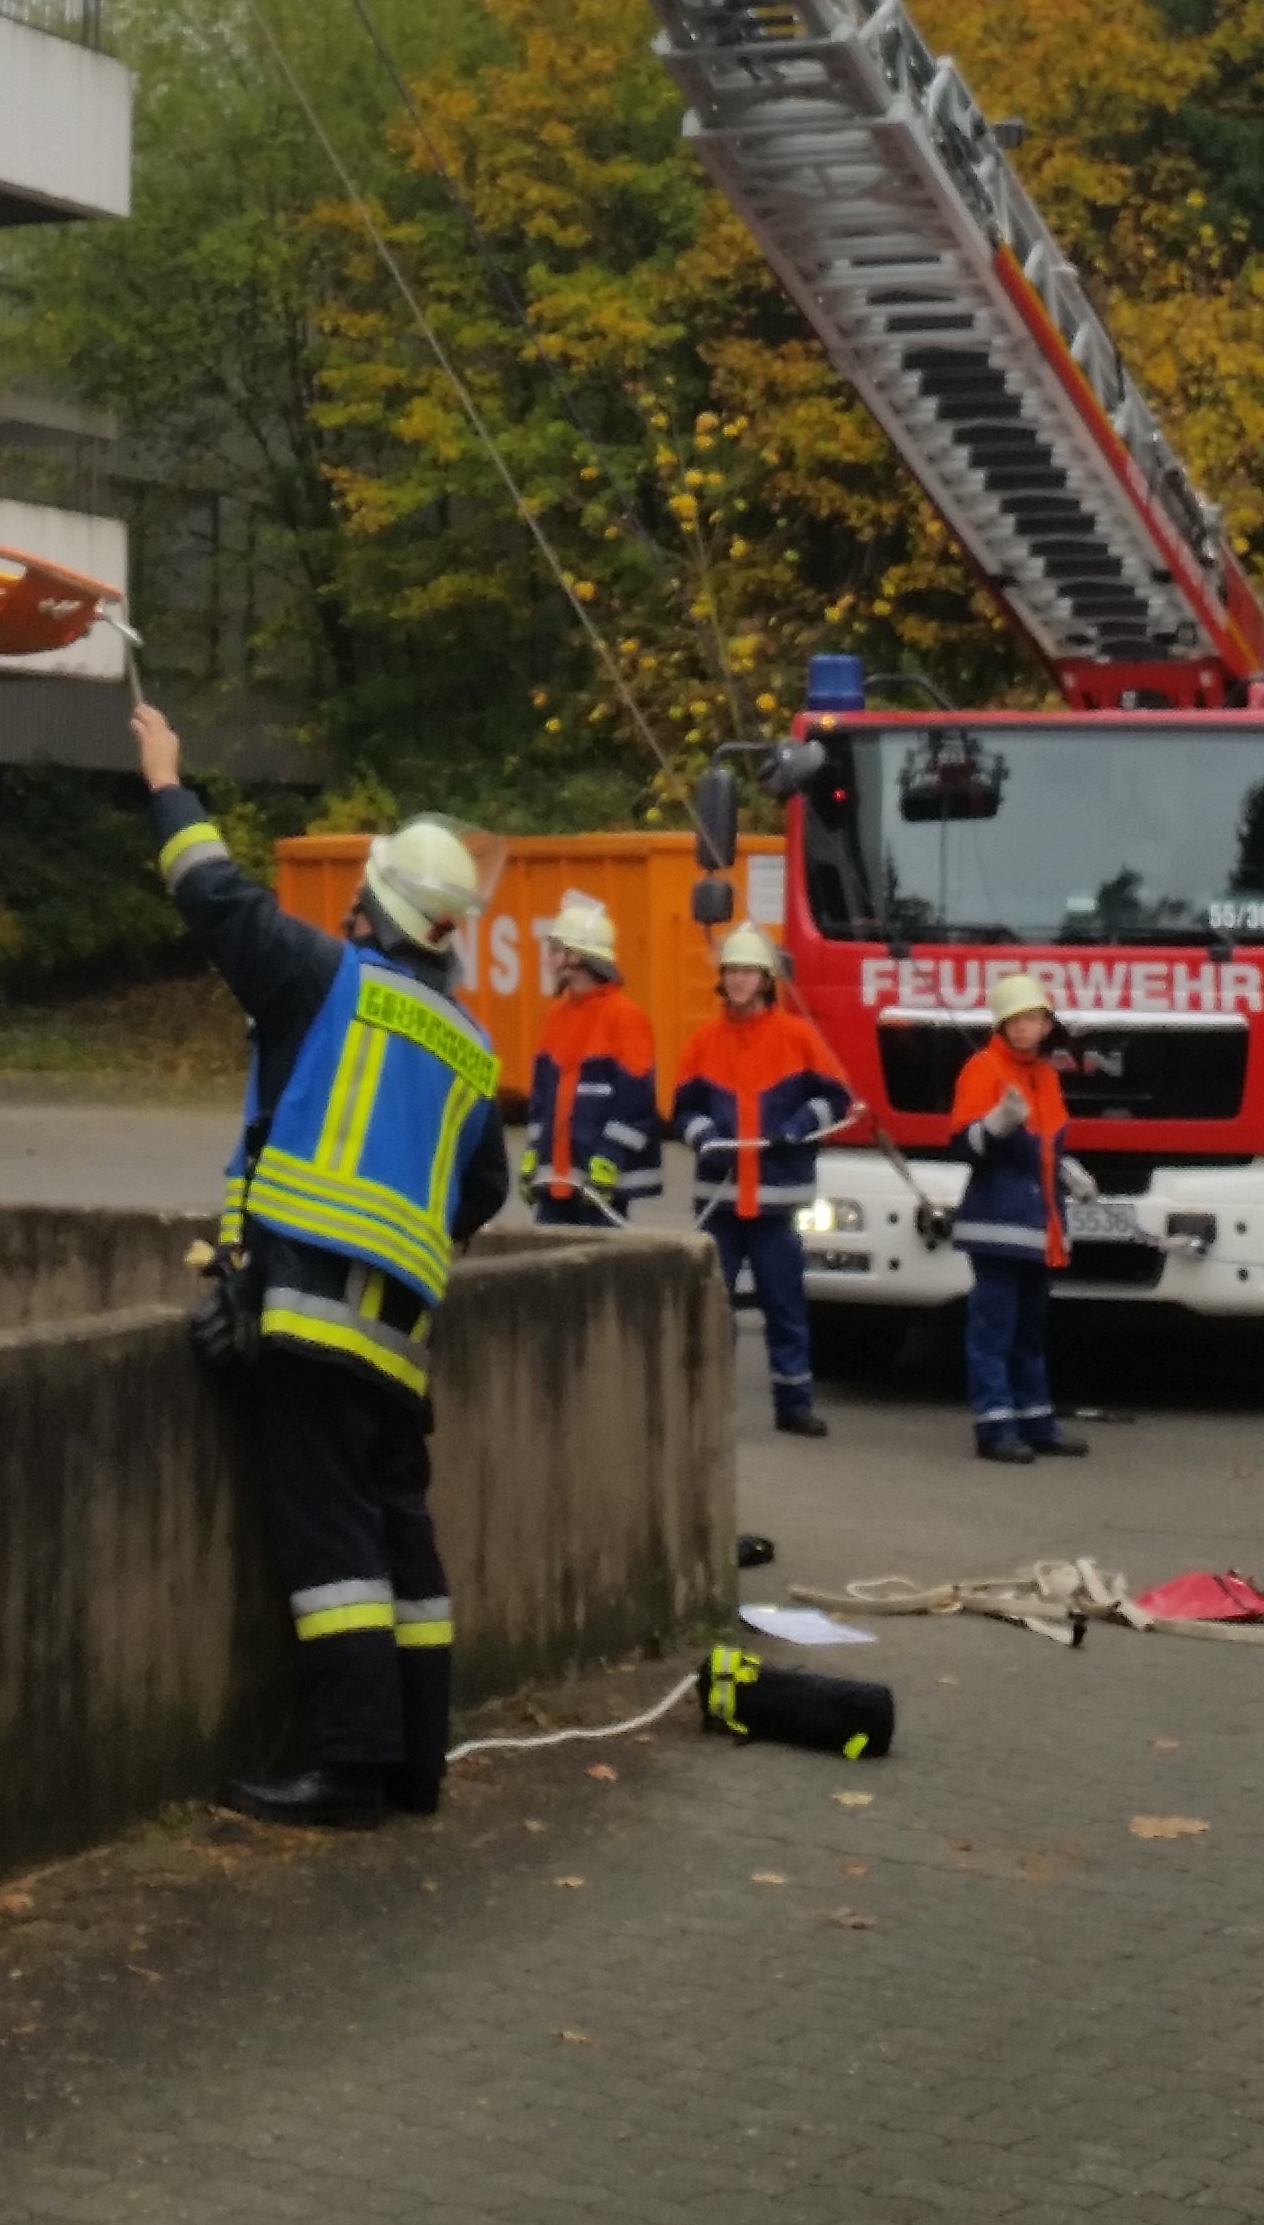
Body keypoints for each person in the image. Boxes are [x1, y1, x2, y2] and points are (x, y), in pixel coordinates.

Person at [132, 692, 509, 1827]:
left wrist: (164, 779)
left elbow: (210, 890)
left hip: (311, 1314)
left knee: (333, 1539)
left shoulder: (326, 980)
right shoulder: (474, 1046)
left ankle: (347, 1766)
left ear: (372, 902)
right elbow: (479, 1190)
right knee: (401, 1534)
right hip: (399, 1335)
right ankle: (416, 1765)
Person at [669, 922, 860, 1439]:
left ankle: (794, 1405)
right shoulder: (703, 1041)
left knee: (786, 1308)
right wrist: (704, 1134)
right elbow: (680, 1110)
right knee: (712, 1309)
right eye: (731, 971)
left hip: (778, 1206)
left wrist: (798, 1126)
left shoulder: (798, 1037)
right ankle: (707, 1407)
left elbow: (837, 1099)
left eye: (747, 971)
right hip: (722, 1204)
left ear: (767, 978)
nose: (737, 980)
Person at [948, 965, 1100, 1463]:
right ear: (1001, 1025)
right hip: (996, 1226)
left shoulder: (1045, 1078)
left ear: (1045, 1024)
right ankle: (994, 1428)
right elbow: (964, 1145)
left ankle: (1037, 1423)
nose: (1023, 1028)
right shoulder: (981, 1070)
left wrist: (1071, 1170)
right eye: (1014, 1020)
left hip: (1038, 1227)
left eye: (1031, 1019)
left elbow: (1049, 1148)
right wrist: (995, 1125)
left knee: (1030, 1333)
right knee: (993, 1332)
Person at [523, 891, 661, 1228]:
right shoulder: (556, 1016)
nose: (550, 958)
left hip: (601, 1187)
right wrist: (533, 1155)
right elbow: (543, 1099)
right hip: (556, 1183)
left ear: (579, 957)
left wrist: (610, 1158)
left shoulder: (624, 1017)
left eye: (556, 949)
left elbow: (636, 1102)